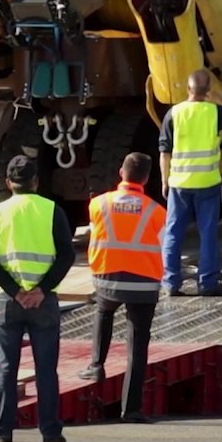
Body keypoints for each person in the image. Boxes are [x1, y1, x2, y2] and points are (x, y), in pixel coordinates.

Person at [0, 155, 75, 442]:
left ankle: (1, 430)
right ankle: (50, 431)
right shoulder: (51, 210)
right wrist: (41, 290)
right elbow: (67, 255)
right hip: (43, 303)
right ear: (36, 182)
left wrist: (16, 291)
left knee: (6, 368)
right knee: (46, 369)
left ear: (9, 183)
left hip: (8, 303)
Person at [77, 153, 166, 423]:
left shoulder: (98, 204)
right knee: (137, 345)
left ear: (120, 172)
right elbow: (163, 246)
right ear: (147, 179)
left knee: (104, 312)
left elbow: (96, 233)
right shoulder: (157, 212)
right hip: (143, 284)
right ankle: (131, 410)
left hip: (107, 279)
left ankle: (96, 365)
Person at [158, 69, 222, 297]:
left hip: (179, 182)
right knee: (208, 233)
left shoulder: (174, 114)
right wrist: (220, 100)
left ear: (188, 89)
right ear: (208, 92)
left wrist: (164, 180)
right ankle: (207, 282)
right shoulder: (214, 112)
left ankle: (171, 282)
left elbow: (164, 152)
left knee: (173, 232)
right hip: (207, 182)